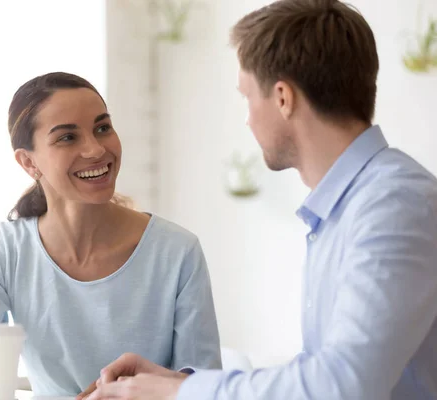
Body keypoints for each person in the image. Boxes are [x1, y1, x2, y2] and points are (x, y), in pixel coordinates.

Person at [82, 0, 437, 399]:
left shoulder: (393, 205)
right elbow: (319, 373)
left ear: (283, 97)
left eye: (247, 96)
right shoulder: (350, 208)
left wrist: (178, 396)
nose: (247, 118)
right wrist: (180, 383)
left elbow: (340, 385)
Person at [0, 72, 222, 397]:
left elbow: (206, 387)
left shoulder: (177, 251)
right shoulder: (7, 250)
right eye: (68, 138)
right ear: (29, 162)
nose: (96, 149)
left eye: (102, 128)